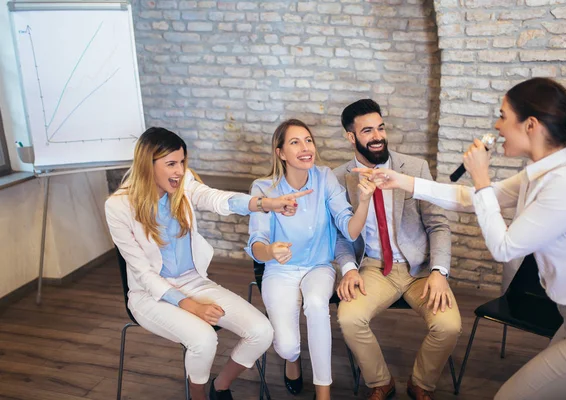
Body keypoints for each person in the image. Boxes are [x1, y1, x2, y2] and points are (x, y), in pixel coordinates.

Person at [364, 77, 566, 400]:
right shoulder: (541, 174)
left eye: (503, 116)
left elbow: (504, 247)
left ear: (530, 125)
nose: (497, 125)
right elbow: (468, 197)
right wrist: (402, 181)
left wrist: (481, 176)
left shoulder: (565, 184)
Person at [105, 127, 307, 400]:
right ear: (147, 165)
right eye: (171, 164)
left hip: (193, 280)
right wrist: (192, 306)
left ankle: (220, 386)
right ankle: (197, 396)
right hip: (149, 295)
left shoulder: (182, 182)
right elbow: (142, 273)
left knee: (261, 331)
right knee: (204, 339)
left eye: (182, 162)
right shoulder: (118, 206)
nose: (180, 170)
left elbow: (216, 198)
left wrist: (267, 204)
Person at [334, 99, 462, 400]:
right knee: (349, 319)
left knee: (449, 325)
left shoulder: (414, 168)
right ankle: (381, 382)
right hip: (374, 267)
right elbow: (340, 236)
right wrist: (349, 269)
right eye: (367, 130)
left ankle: (421, 383)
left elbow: (438, 225)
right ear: (350, 137)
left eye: (380, 127)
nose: (378, 136)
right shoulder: (339, 177)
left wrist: (439, 272)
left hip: (419, 268)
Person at [246, 119, 374, 400]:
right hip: (280, 270)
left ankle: (323, 393)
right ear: (280, 153)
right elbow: (256, 245)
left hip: (319, 266)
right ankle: (293, 361)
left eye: (308, 140)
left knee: (317, 305)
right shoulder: (264, 188)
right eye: (295, 142)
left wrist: (364, 202)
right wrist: (271, 252)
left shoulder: (324, 177)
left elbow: (350, 230)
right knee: (288, 347)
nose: (305, 148)